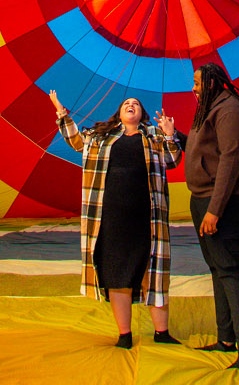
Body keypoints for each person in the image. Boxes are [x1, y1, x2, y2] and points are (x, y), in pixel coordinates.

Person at [50, 89, 184, 348]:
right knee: (117, 275)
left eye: (136, 104)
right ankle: (124, 334)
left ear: (142, 114)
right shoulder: (101, 137)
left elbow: (173, 160)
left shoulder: (153, 136)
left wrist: (169, 133)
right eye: (126, 104)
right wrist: (60, 110)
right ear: (119, 113)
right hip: (110, 219)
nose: (131, 105)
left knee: (153, 272)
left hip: (147, 219)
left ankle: (162, 332)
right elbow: (76, 140)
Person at [178, 62, 239, 369]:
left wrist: (215, 210)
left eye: (197, 83)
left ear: (211, 84)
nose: (193, 88)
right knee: (217, 268)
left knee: (229, 268)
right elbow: (204, 152)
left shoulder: (230, 111)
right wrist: (178, 137)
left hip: (220, 201)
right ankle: (226, 339)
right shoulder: (209, 110)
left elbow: (230, 161)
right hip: (202, 198)